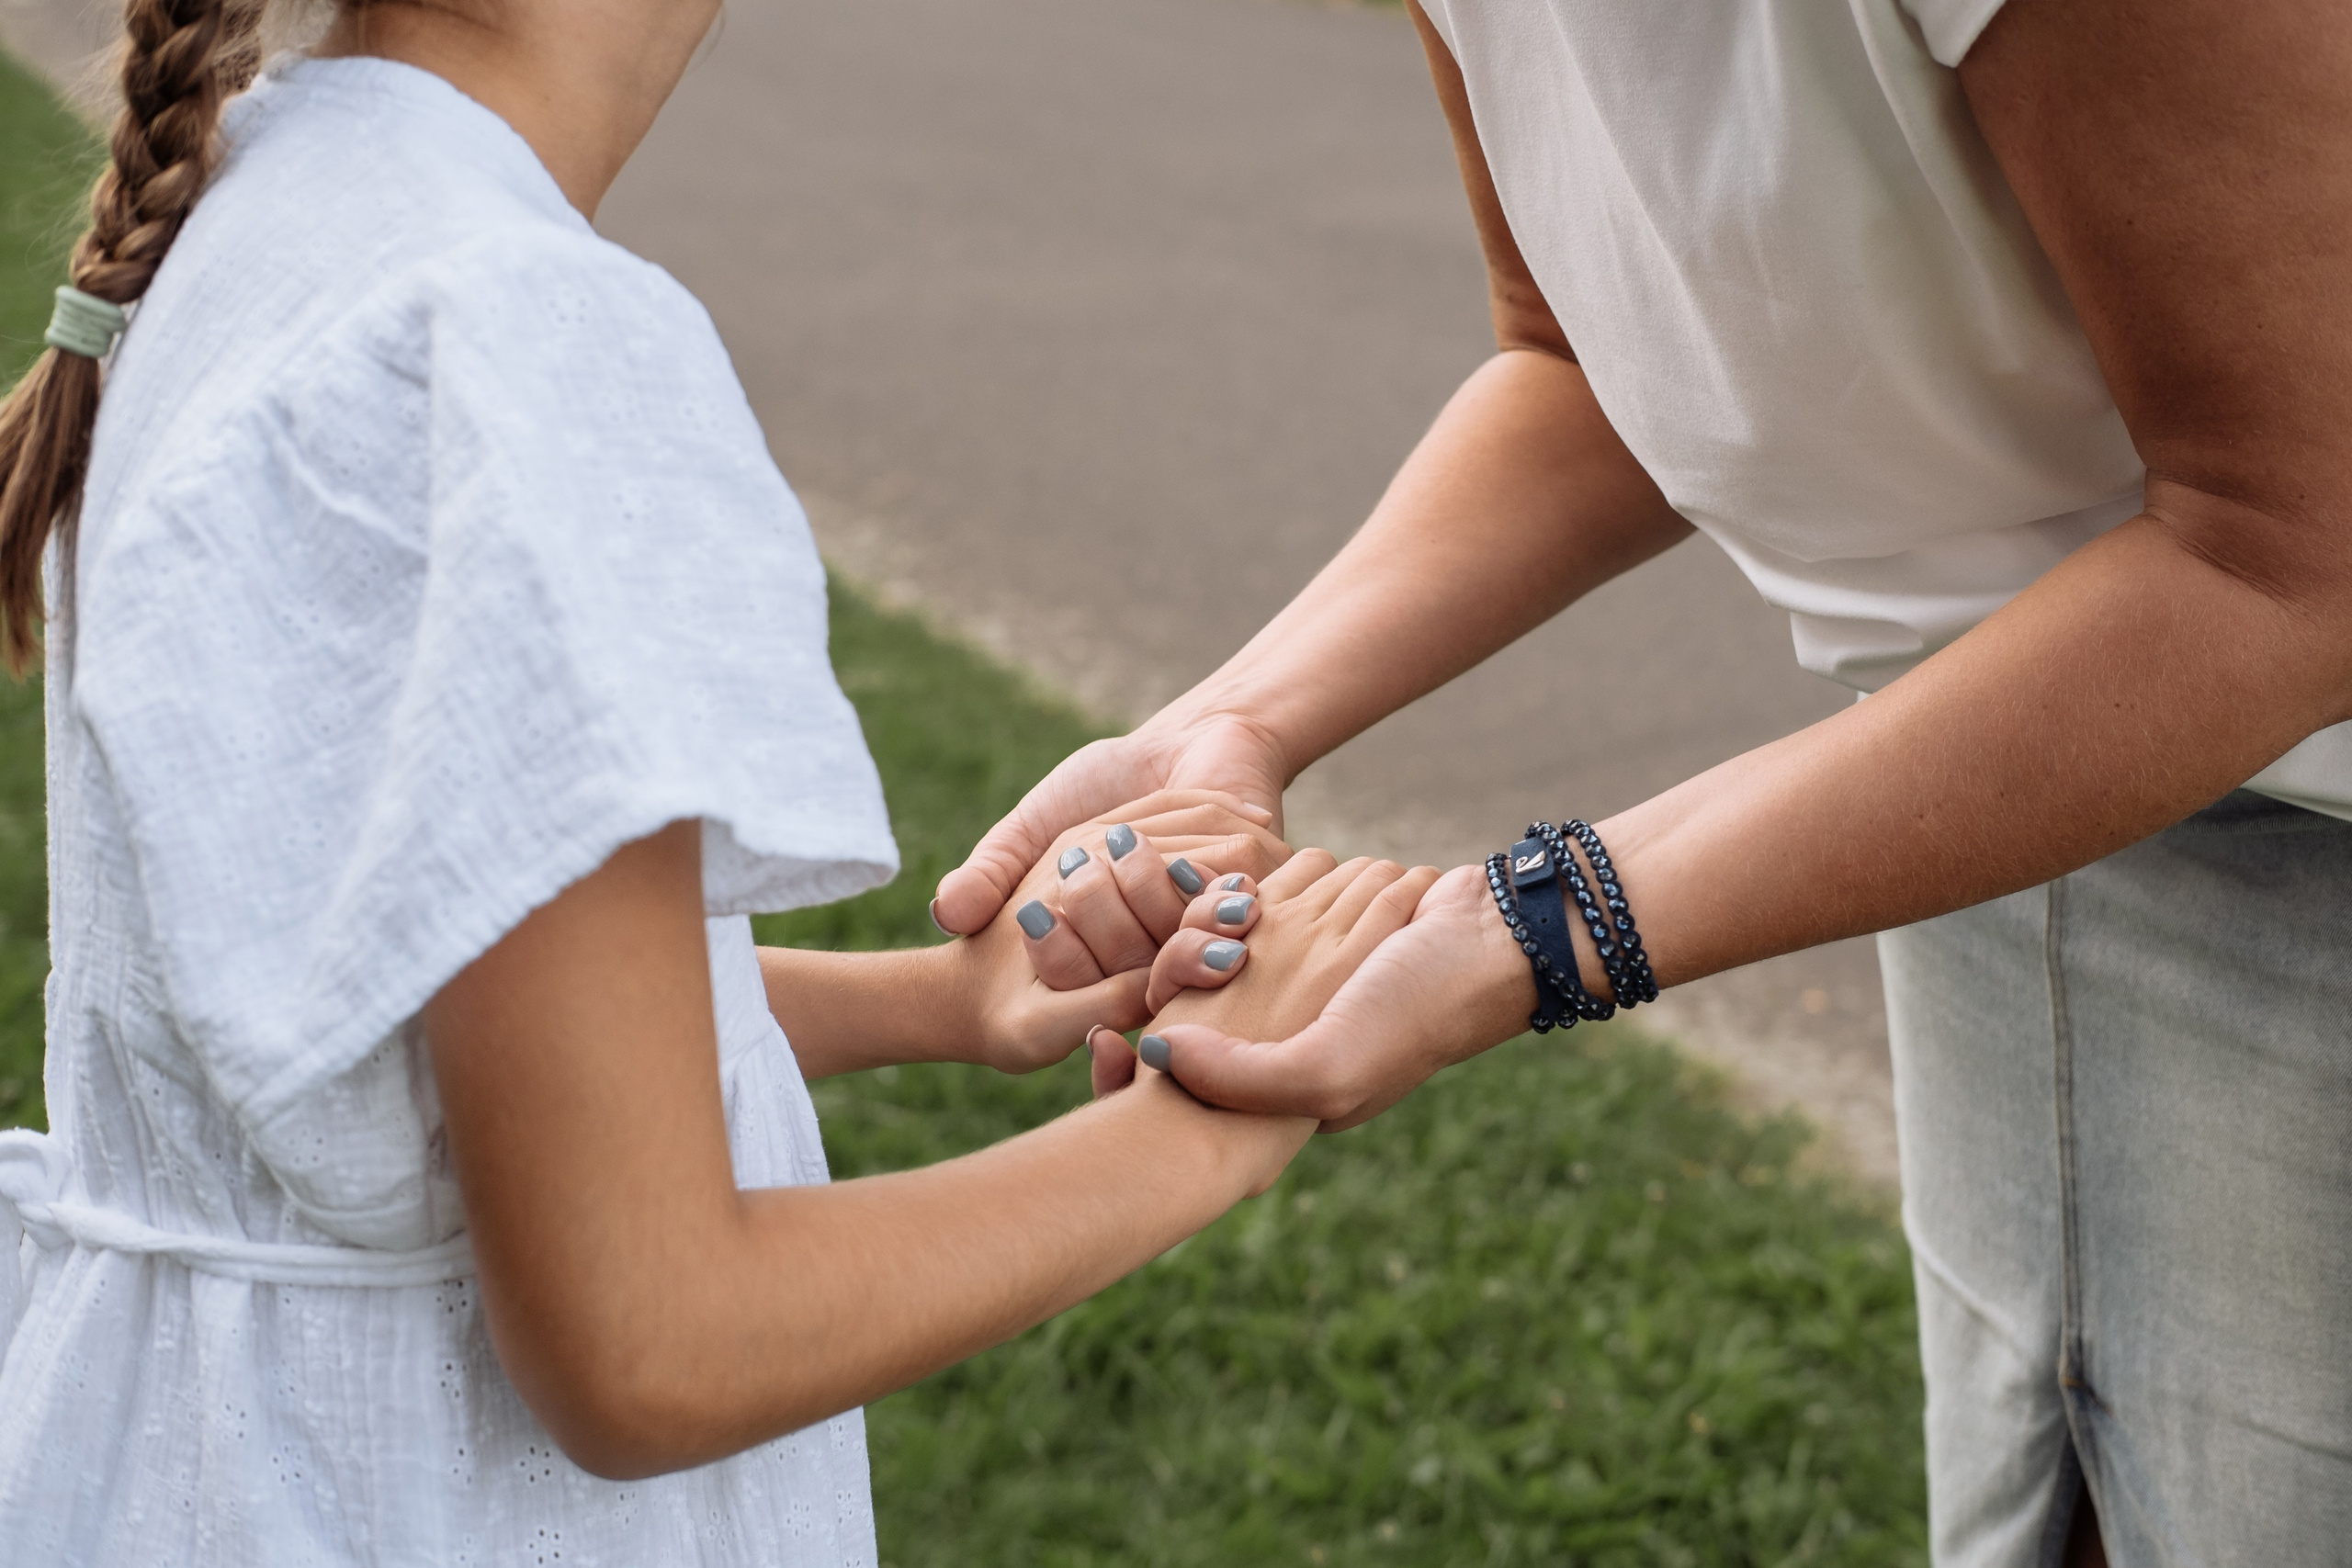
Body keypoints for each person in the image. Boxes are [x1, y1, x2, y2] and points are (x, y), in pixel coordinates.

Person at [0, 0, 1433, 1560]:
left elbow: (403, 1016)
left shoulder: (271, 199)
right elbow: (650, 1347)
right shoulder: (517, 334)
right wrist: (1212, 1121)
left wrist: (935, 1004)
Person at [933, 0, 2352, 1562]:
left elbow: (2300, 554)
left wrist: (1537, 924)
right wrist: (1235, 725)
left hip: (2314, 824)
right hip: (1988, 788)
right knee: (2054, 1490)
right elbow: (1581, 362)